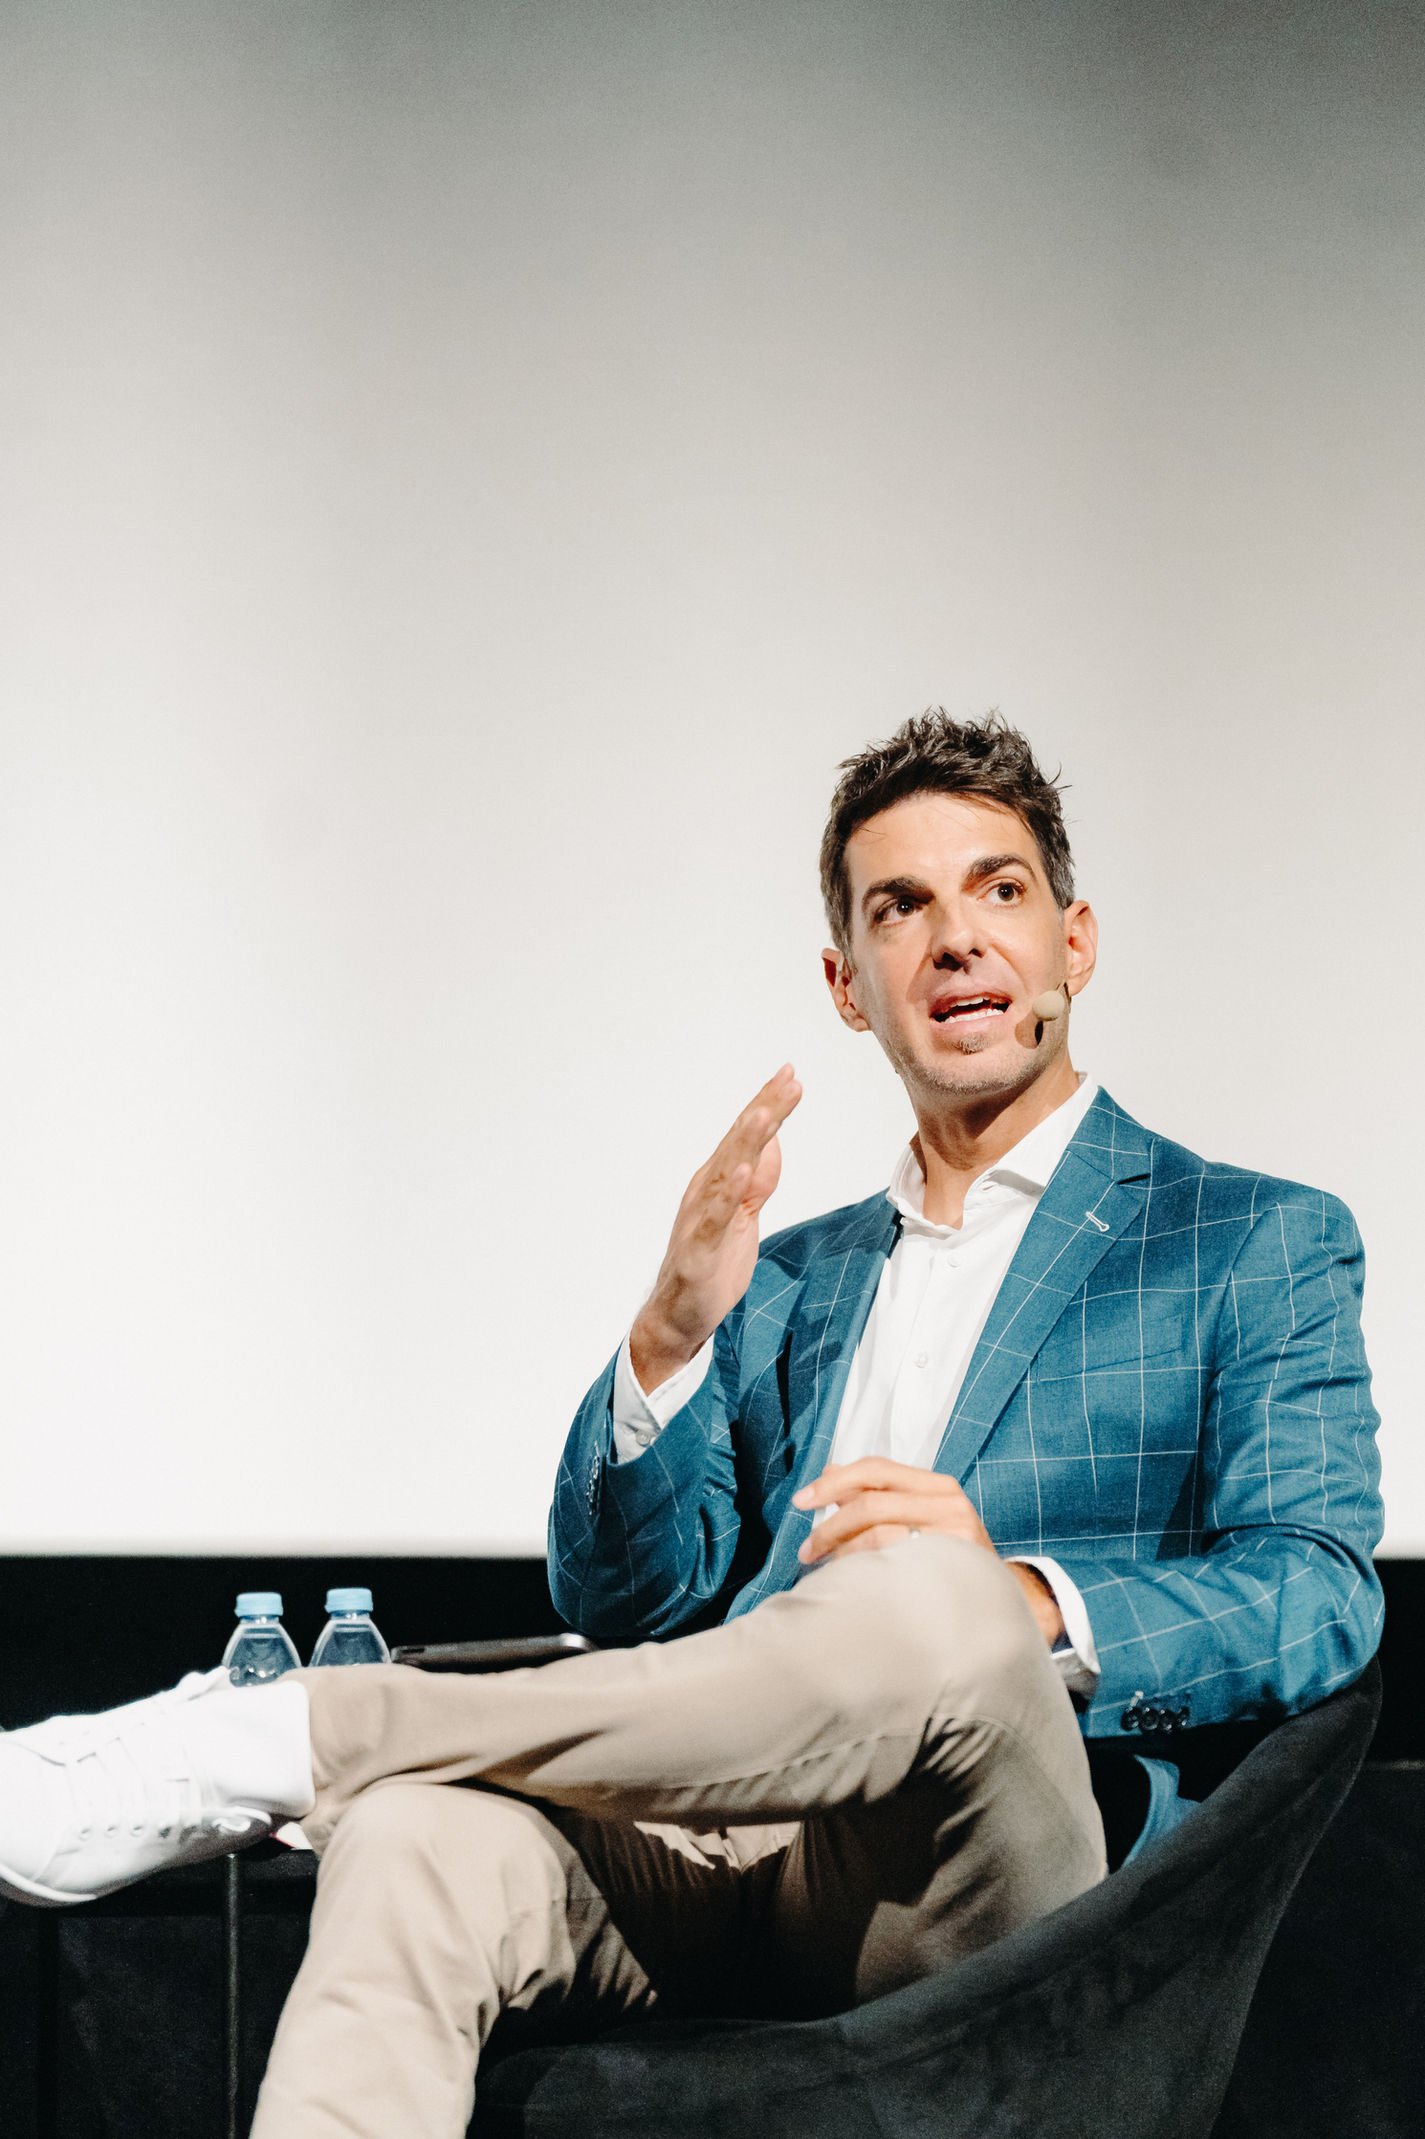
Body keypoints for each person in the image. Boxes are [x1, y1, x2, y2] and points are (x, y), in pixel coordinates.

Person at [0, 713, 1384, 2138]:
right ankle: (337, 1758)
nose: (955, 938)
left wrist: (1024, 1600)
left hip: (988, 1883)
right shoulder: (791, 1276)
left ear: (1073, 944)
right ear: (850, 986)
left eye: (998, 889)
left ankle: (281, 1736)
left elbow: (1320, 1597)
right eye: (900, 908)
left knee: (928, 1591)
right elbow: (621, 1603)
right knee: (415, 1840)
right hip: (723, 1852)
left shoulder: (1247, 1238)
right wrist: (666, 1338)